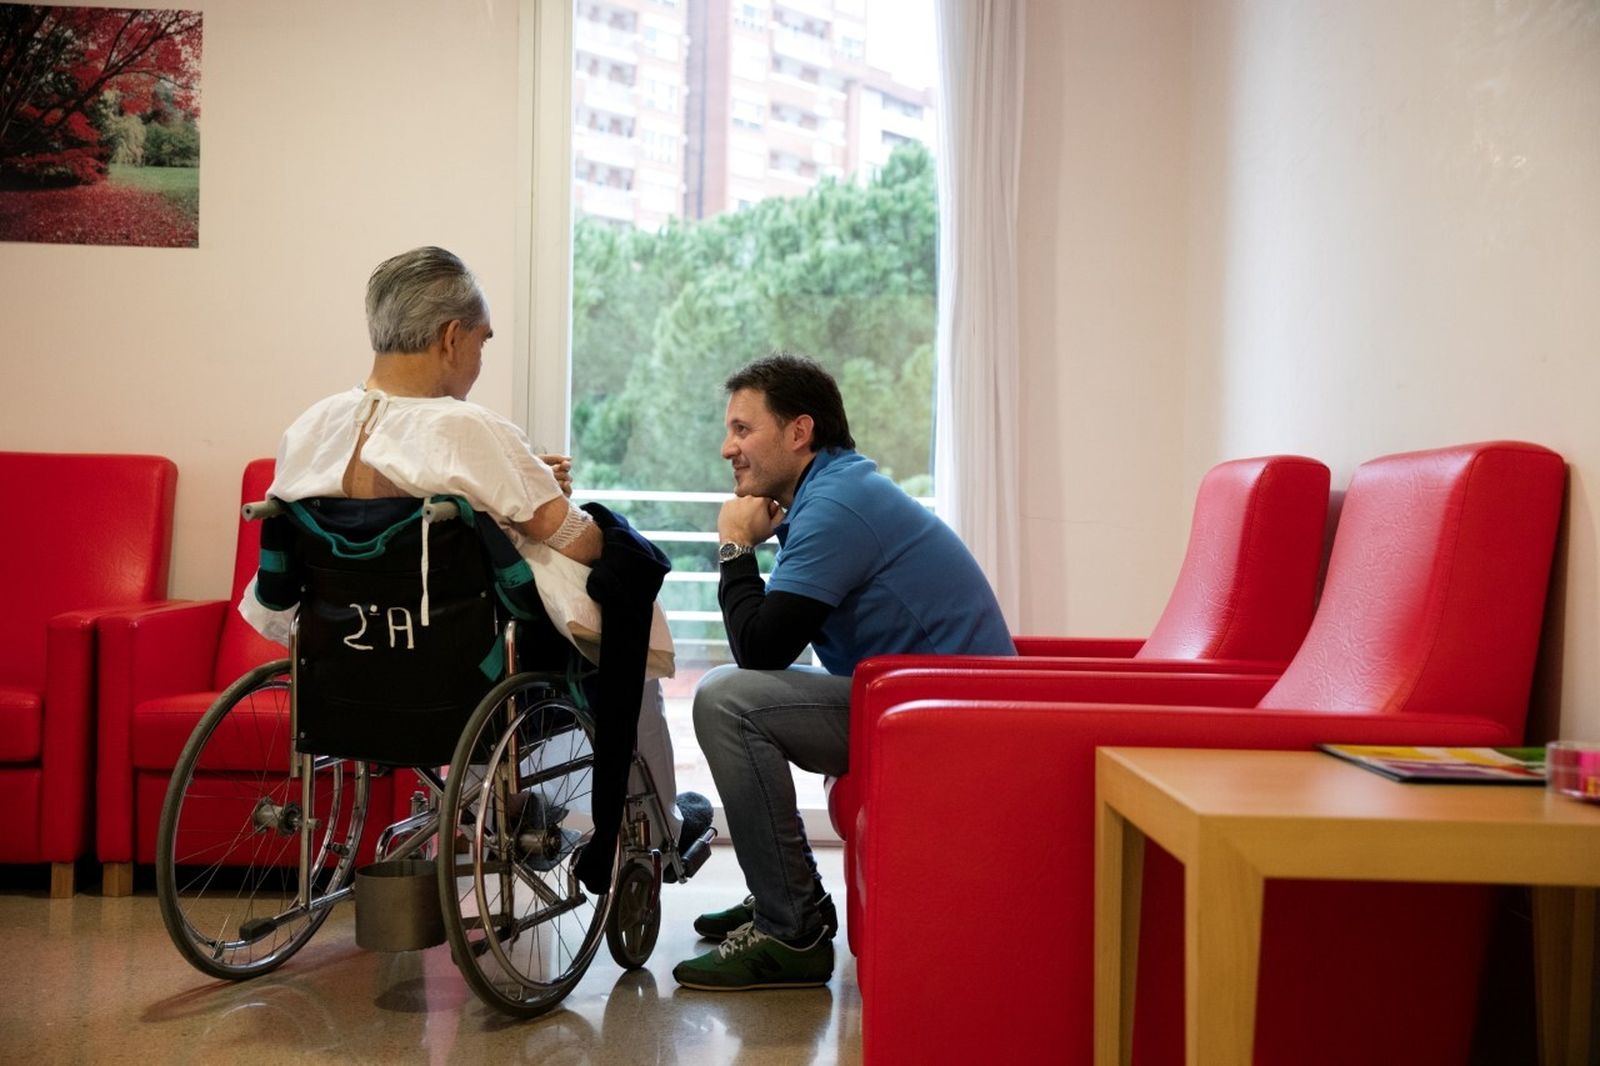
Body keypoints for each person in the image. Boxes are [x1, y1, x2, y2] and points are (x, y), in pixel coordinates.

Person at [240, 245, 707, 857]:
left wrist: (520, 480)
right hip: (463, 673)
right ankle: (656, 833)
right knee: (632, 650)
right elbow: (573, 538)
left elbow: (394, 494)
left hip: (347, 675)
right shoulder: (468, 430)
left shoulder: (308, 429)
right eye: (483, 341)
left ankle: (498, 809)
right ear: (451, 337)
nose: (481, 357)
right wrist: (555, 501)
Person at [672, 353, 1013, 991]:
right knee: (737, 695)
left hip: (948, 719)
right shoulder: (835, 491)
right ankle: (785, 891)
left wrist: (734, 546)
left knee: (726, 699)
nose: (727, 448)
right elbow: (774, 639)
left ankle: (791, 928)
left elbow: (761, 651)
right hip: (921, 702)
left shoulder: (837, 507)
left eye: (743, 430)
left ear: (799, 432)